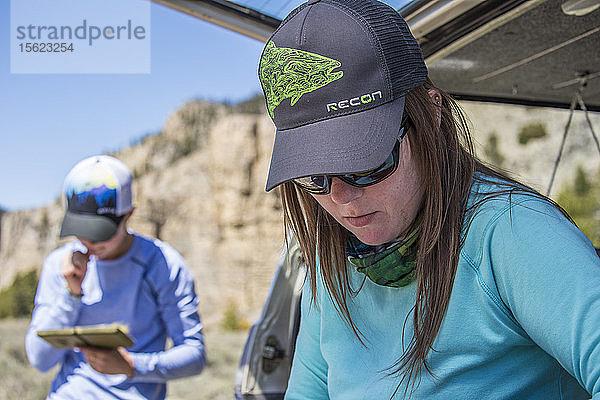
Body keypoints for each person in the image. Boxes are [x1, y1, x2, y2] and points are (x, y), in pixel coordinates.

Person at [257, 0, 600, 399]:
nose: (342, 198)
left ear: (430, 114)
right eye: (313, 176)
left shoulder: (510, 232)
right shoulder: (332, 263)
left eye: (367, 162)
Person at [26, 155, 206, 399]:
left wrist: (131, 366)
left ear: (129, 214)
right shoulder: (60, 265)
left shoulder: (162, 264)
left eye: (100, 232)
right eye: (80, 230)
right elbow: (40, 359)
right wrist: (71, 294)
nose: (89, 242)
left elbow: (194, 355)